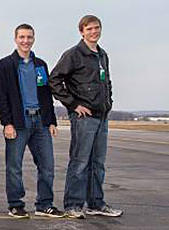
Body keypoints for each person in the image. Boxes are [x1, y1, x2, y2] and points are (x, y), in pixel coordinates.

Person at [50, 15, 123, 219]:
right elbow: (54, 80)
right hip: (84, 119)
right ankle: (73, 205)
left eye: (96, 28)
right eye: (89, 29)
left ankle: (96, 203)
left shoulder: (102, 55)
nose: (94, 32)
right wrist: (73, 104)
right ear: (81, 32)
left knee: (98, 163)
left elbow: (106, 82)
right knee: (80, 162)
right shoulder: (74, 54)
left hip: (101, 117)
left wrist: (109, 102)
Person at [0, 24, 65, 219]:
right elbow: (0, 97)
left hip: (40, 122)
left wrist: (51, 121)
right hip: (18, 123)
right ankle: (15, 204)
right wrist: (6, 122)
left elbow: (47, 94)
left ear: (34, 39)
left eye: (29, 37)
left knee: (47, 166)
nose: (26, 41)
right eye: (22, 37)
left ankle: (45, 204)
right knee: (14, 166)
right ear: (15, 39)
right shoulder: (5, 65)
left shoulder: (40, 65)